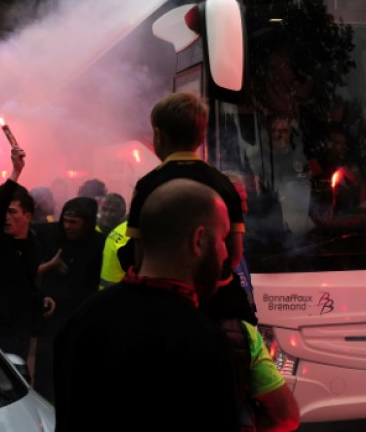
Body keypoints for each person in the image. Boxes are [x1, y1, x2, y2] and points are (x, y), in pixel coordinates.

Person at [53, 179, 239, 431]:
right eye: (223, 238)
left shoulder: (79, 323)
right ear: (199, 240)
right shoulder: (206, 342)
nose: (226, 253)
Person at [123, 92, 253, 324]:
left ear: (158, 135)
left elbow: (139, 255)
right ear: (201, 137)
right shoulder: (223, 184)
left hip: (162, 307)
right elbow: (235, 254)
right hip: (217, 305)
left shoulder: (146, 186)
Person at [0, 146, 55, 359]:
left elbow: (25, 282)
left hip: (21, 329)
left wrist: (41, 298)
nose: (5, 218)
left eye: (12, 213)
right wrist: (15, 172)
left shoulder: (33, 243)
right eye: (4, 212)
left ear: (27, 216)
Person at [33, 196, 105, 401]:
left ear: (88, 223)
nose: (67, 226)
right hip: (51, 318)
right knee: (46, 371)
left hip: (81, 317)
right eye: (65, 220)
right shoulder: (49, 234)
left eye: (73, 222)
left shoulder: (99, 244)